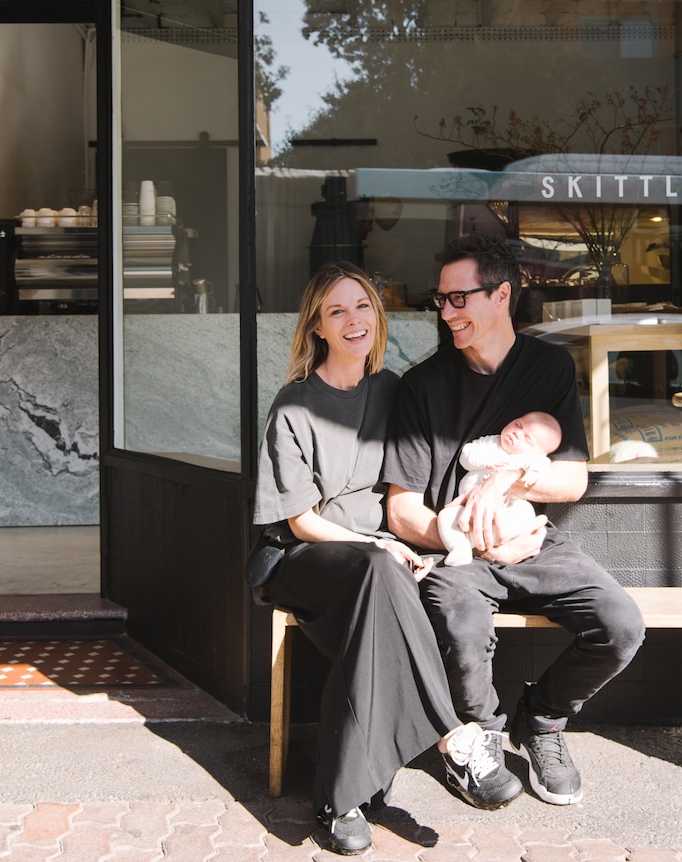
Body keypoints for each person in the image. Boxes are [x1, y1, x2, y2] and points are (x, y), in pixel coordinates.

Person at [383, 233, 646, 808]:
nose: (447, 312)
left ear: (501, 295)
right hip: (453, 552)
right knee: (461, 626)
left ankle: (545, 717)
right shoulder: (421, 387)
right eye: (441, 300)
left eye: (461, 298)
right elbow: (400, 509)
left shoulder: (548, 367)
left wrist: (508, 482)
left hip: (531, 539)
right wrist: (463, 534)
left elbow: (571, 481)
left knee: (621, 625)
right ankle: (484, 738)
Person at [253, 262, 501, 855]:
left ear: (378, 317)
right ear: (317, 326)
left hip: (380, 566)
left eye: (362, 306)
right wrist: (379, 546)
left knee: (373, 629)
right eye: (337, 310)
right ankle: (451, 739)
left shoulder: (394, 392)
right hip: (303, 559)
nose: (353, 320)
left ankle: (342, 802)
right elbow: (301, 521)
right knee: (375, 572)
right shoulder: (294, 406)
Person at [437, 411, 561, 566]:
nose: (517, 433)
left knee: (526, 513)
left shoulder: (529, 458)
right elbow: (467, 454)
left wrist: (533, 473)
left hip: (506, 509)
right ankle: (460, 548)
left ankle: (482, 541)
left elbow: (542, 465)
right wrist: (484, 462)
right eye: (517, 424)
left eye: (527, 439)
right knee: (445, 517)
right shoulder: (491, 443)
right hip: (469, 507)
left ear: (539, 451)